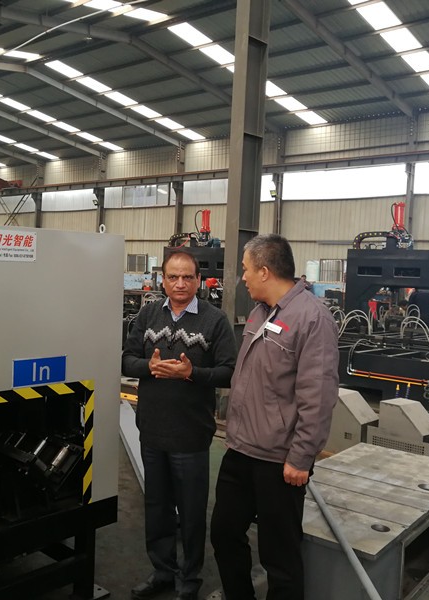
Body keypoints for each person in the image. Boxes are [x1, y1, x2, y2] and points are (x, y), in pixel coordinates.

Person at [210, 234, 339, 600]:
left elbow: (318, 396)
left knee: (279, 555)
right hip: (241, 449)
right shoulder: (259, 312)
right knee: (224, 533)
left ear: (264, 271)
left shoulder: (312, 318)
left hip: (279, 461)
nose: (243, 277)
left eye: (246, 270)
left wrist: (301, 457)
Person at [123, 249, 237, 600]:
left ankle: (189, 579)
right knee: (157, 508)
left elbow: (229, 372)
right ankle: (162, 571)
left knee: (190, 513)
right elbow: (127, 359)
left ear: (198, 281)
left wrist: (192, 373)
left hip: (190, 435)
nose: (180, 283)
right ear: (163, 280)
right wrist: (149, 367)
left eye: (188, 277)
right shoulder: (148, 314)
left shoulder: (215, 321)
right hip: (152, 431)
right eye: (173, 277)